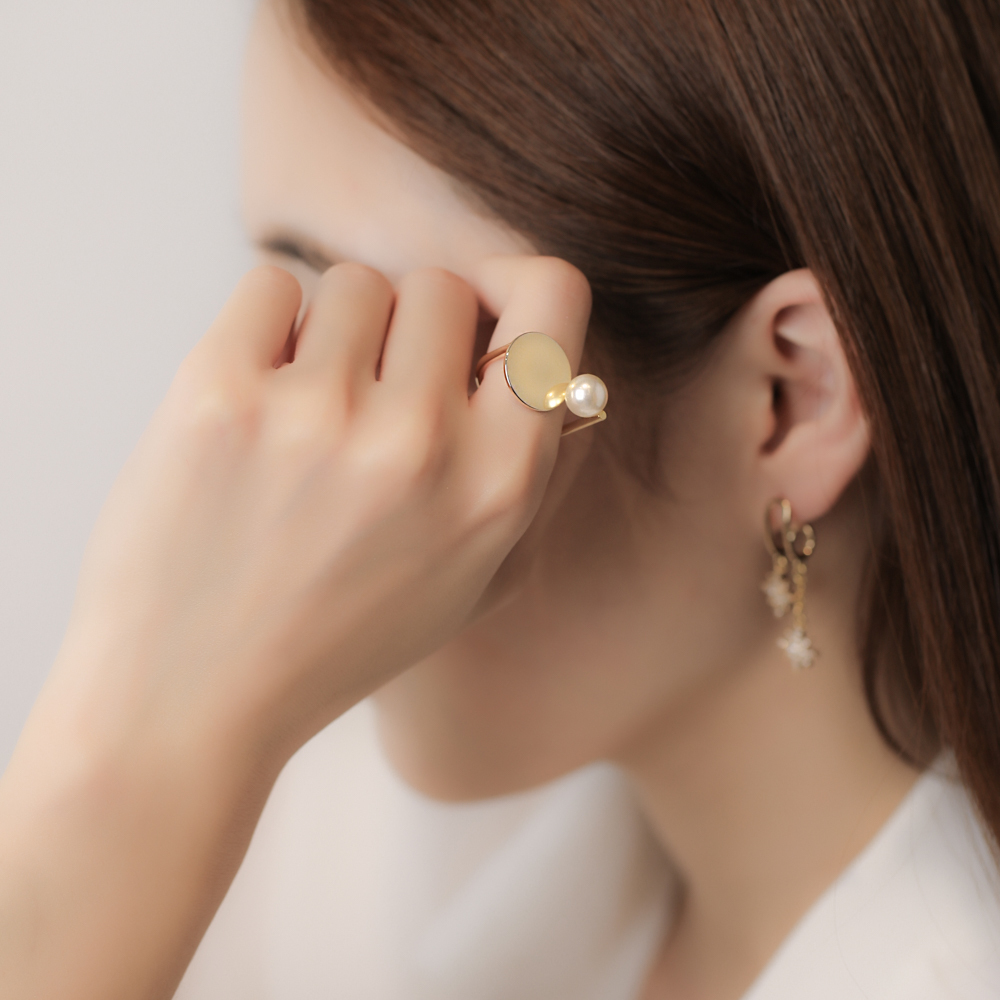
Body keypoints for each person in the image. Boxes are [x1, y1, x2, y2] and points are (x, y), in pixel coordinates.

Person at [2, 0, 1000, 997]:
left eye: (386, 343)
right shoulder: (345, 827)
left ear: (790, 398)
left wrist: (149, 760)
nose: (275, 440)